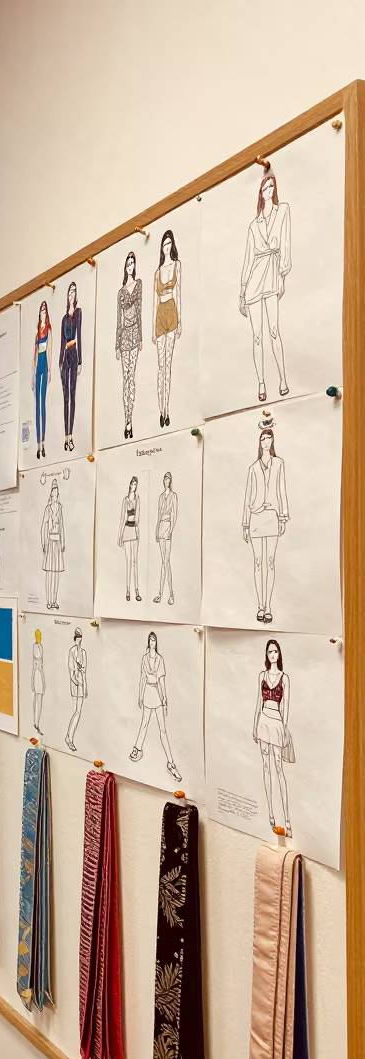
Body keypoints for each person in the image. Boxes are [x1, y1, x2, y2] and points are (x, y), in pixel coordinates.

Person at [240, 171, 291, 402]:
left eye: (271, 187)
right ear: (260, 193)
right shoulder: (254, 225)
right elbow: (248, 259)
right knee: (257, 335)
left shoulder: (283, 211)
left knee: (274, 330)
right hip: (255, 278)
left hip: (272, 272)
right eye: (265, 188)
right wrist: (242, 291)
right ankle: (261, 382)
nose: (269, 191)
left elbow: (286, 246)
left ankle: (282, 378)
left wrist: (282, 276)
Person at [242, 422, 289, 625]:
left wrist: (283, 516)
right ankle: (259, 605)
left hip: (272, 516)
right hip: (255, 517)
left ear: (272, 442)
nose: (266, 442)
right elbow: (247, 496)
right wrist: (244, 523)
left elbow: (281, 490)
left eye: (269, 438)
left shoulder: (279, 464)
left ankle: (268, 606)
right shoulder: (253, 468)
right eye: (263, 438)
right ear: (259, 442)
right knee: (258, 562)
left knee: (270, 562)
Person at [253, 638, 292, 837]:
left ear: (279, 654)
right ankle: (270, 814)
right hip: (263, 721)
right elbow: (257, 703)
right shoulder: (262, 675)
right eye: (270, 652)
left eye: (275, 651)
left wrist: (284, 729)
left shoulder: (284, 678)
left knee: (278, 768)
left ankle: (286, 817)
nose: (273, 655)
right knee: (266, 767)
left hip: (276, 722)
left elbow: (285, 707)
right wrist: (254, 725)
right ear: (267, 655)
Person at [130, 631, 179, 781]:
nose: (152, 643)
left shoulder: (160, 659)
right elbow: (142, 679)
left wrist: (165, 698)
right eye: (150, 640)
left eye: (154, 640)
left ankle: (170, 762)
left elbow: (162, 681)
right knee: (144, 724)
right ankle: (137, 748)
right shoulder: (144, 659)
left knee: (162, 730)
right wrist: (139, 695)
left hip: (157, 694)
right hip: (147, 694)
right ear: (148, 642)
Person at [151, 229, 182, 428]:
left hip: (172, 310)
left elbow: (178, 292)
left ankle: (167, 410)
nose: (167, 247)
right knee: (160, 366)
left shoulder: (177, 266)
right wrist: (152, 328)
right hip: (160, 313)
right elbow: (154, 301)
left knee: (168, 365)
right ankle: (160, 409)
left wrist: (181, 322)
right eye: (164, 244)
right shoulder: (157, 272)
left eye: (169, 243)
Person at [115, 251, 142, 440]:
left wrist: (140, 336)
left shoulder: (138, 285)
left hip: (135, 333)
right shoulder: (121, 292)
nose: (130, 266)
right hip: (124, 336)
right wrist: (117, 343)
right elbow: (119, 318)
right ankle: (127, 419)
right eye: (128, 263)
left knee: (131, 377)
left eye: (132, 263)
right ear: (125, 267)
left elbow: (139, 310)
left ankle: (130, 417)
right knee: (126, 378)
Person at [59, 281, 82, 452]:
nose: (71, 294)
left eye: (74, 291)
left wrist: (80, 360)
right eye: (69, 292)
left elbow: (78, 335)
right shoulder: (64, 318)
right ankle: (65, 436)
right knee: (65, 397)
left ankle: (71, 435)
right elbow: (61, 343)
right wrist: (60, 362)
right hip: (66, 355)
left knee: (72, 395)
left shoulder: (78, 313)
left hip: (74, 354)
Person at [32, 300, 53, 460]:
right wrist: (32, 376)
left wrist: (50, 370)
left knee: (43, 404)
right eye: (41, 311)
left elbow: (50, 350)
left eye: (45, 310)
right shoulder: (37, 333)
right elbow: (34, 356)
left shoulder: (49, 330)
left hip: (44, 365)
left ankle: (43, 443)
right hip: (38, 365)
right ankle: (37, 444)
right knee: (37, 405)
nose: (43, 313)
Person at [154, 472, 179, 606]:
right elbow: (158, 514)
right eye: (165, 479)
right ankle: (160, 593)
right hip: (161, 526)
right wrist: (156, 531)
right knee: (163, 562)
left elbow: (175, 514)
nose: (166, 481)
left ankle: (170, 594)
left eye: (168, 478)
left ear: (170, 481)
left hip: (168, 526)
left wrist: (170, 530)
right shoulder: (160, 497)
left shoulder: (173, 496)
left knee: (166, 561)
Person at [40, 479, 65, 609]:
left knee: (56, 574)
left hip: (58, 542)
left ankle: (54, 601)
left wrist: (63, 541)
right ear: (51, 494)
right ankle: (48, 601)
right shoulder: (48, 509)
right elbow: (43, 526)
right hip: (50, 542)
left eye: (56, 492)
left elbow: (62, 526)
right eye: (53, 492)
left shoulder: (60, 508)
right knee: (49, 573)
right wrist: (43, 542)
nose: (55, 494)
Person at [117, 475, 141, 602]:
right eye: (133, 484)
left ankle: (137, 590)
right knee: (129, 562)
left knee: (135, 562)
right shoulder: (125, 500)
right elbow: (122, 519)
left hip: (134, 531)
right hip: (126, 531)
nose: (134, 486)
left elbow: (138, 519)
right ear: (129, 485)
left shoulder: (137, 499)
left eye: (136, 484)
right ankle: (127, 590)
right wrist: (119, 536)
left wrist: (138, 532)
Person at [65, 627, 87, 751]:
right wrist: (75, 680)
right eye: (77, 639)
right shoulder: (72, 651)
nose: (79, 641)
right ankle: (69, 737)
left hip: (82, 684)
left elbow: (85, 672)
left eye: (80, 639)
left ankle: (69, 737)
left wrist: (85, 687)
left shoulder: (83, 652)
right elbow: (71, 670)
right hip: (75, 684)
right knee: (76, 712)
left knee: (79, 712)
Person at [31, 628, 45, 734]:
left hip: (39, 676)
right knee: (37, 699)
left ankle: (37, 722)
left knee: (38, 700)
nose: (39, 638)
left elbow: (41, 666)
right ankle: (36, 722)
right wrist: (32, 680)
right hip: (37, 676)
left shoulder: (40, 646)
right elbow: (35, 666)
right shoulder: (36, 647)